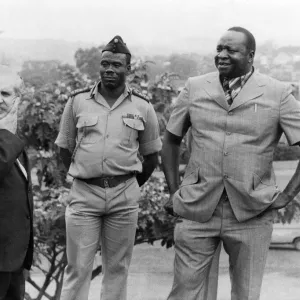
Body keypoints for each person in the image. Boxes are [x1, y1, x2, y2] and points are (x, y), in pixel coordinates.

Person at [161, 26, 300, 300]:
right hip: (197, 207)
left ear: (250, 55)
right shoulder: (195, 87)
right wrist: (174, 190)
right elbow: (170, 140)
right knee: (185, 293)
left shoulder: (279, 93)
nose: (222, 55)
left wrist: (287, 195)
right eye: (219, 49)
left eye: (231, 50)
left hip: (252, 211)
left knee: (246, 294)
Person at [55, 35, 162, 300]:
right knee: (77, 268)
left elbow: (151, 157)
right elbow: (64, 148)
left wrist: (125, 185)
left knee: (117, 269)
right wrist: (84, 177)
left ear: (128, 69)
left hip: (123, 197)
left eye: (116, 65)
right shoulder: (77, 102)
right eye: (105, 64)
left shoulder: (143, 106)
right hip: (84, 195)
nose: (109, 69)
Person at [0, 65, 33, 300]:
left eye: (5, 94)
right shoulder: (9, 136)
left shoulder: (11, 134)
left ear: (18, 99)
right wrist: (7, 137)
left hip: (13, 260)